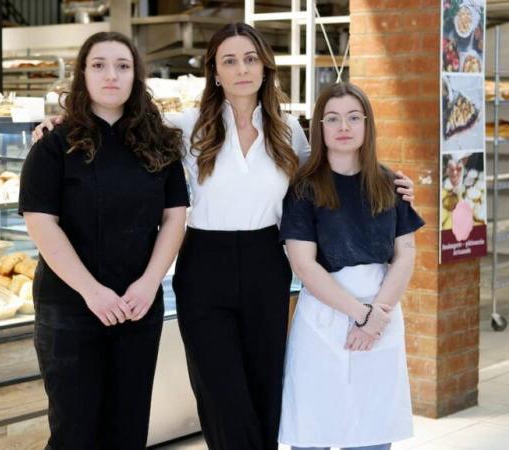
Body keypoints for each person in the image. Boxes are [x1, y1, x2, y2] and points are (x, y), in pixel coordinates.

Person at [33, 23, 415, 450]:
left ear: (265, 67)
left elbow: (329, 175)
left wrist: (391, 183)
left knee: (264, 393)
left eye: (250, 59)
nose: (241, 70)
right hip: (204, 269)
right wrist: (62, 121)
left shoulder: (289, 130)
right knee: (222, 399)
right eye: (229, 61)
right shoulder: (185, 126)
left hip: (267, 266)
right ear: (214, 71)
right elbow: (122, 121)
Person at [19, 31, 189, 450]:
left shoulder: (161, 142)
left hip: (137, 306)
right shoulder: (54, 144)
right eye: (98, 65)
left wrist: (150, 283)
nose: (111, 75)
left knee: (128, 430)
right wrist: (92, 292)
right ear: (82, 74)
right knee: (74, 432)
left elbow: (174, 218)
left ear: (136, 76)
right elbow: (42, 224)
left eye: (122, 66)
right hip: (70, 308)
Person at [278, 82, 425, 450]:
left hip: (382, 312)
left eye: (353, 118)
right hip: (323, 318)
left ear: (367, 124)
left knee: (372, 434)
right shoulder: (304, 187)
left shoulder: (390, 183)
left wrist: (377, 316)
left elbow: (405, 253)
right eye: (333, 118)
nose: (344, 126)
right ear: (319, 127)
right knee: (313, 431)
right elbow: (304, 264)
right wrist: (361, 314)